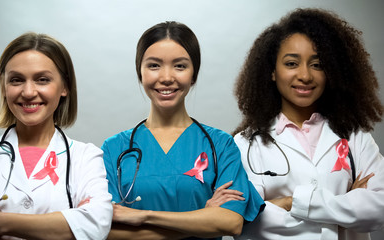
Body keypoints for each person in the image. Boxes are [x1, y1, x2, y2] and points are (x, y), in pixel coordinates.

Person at [101, 21, 265, 240]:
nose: (167, 77)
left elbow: (231, 222)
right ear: (140, 73)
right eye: (154, 65)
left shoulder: (220, 144)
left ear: (194, 75)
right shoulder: (114, 149)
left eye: (180, 66)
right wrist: (203, 219)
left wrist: (144, 216)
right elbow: (105, 230)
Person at [232, 8, 384, 240]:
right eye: (292, 63)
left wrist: (292, 203)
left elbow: (379, 208)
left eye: (317, 64)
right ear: (272, 71)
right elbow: (247, 222)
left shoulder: (355, 136)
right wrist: (344, 207)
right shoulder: (247, 144)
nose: (305, 75)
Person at [0, 32, 113, 239]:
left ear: (64, 87)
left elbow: (96, 224)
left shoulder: (86, 157)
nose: (28, 92)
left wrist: (3, 223)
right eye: (16, 80)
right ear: (4, 87)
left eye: (42, 79)